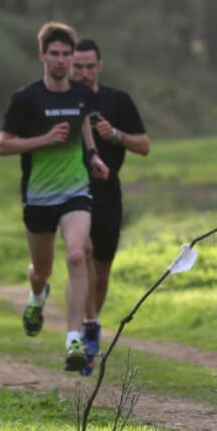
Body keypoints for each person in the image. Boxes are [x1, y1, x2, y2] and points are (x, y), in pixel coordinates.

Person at [0, 22, 110, 374]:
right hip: (38, 197)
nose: (61, 60)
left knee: (78, 255)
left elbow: (84, 126)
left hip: (75, 191)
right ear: (42, 55)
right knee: (41, 269)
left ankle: (73, 339)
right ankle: (36, 297)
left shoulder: (80, 94)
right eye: (54, 54)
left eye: (66, 54)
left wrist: (93, 156)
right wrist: (42, 140)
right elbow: (3, 145)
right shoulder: (26, 98)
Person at [69, 38, 150, 365]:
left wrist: (114, 135)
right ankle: (88, 324)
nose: (85, 73)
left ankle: (91, 325)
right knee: (81, 252)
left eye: (90, 66)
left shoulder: (117, 100)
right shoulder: (61, 101)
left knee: (101, 274)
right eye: (78, 67)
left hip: (108, 194)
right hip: (72, 191)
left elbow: (144, 146)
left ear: (99, 66)